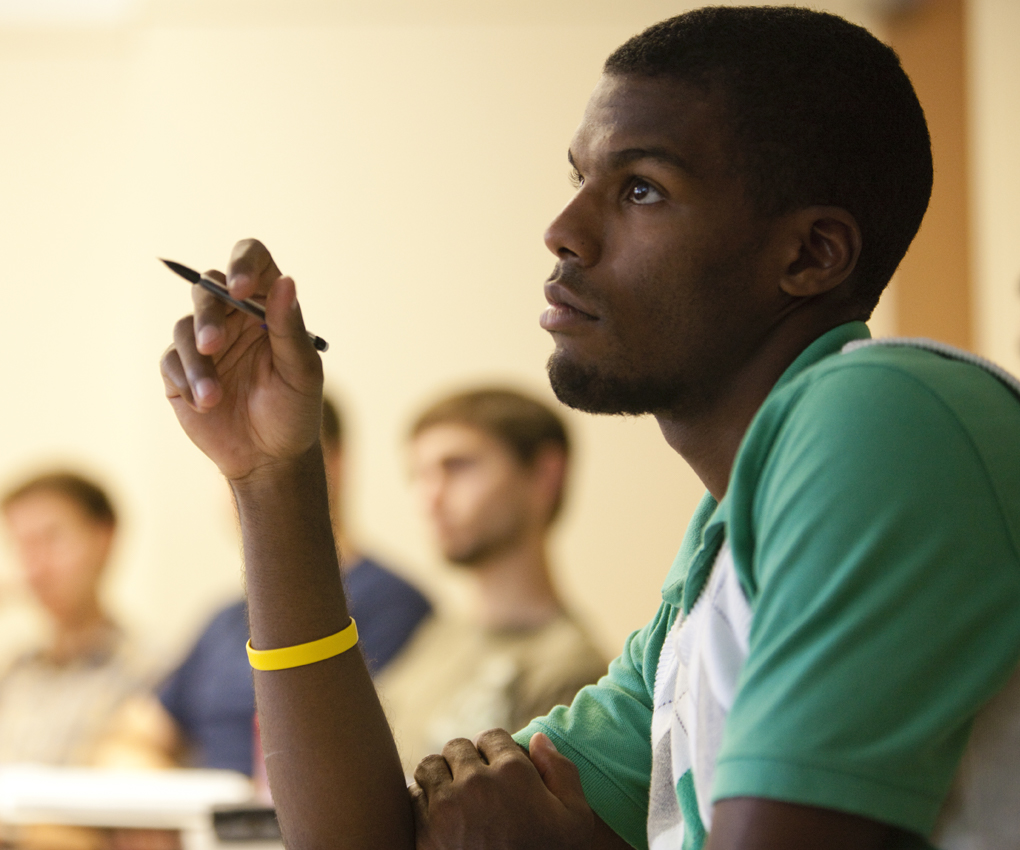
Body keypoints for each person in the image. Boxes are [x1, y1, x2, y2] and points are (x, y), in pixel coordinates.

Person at [158, 5, 1020, 849]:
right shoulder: (710, 567)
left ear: (809, 255)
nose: (562, 232)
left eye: (641, 188)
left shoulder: (883, 416)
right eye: (580, 180)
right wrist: (273, 479)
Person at [99, 395, 431, 775]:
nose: (246, 481)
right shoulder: (224, 618)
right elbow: (130, 736)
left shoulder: (393, 603)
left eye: (265, 459)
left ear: (334, 465)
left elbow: (356, 757)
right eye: (232, 467)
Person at [377, 388, 605, 773]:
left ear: (545, 473)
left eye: (458, 466)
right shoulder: (435, 636)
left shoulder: (570, 674)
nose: (429, 497)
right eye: (419, 474)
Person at [0, 471, 153, 765]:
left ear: (104, 538)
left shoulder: (152, 671)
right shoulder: (13, 672)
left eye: (51, 539)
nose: (36, 569)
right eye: (22, 546)